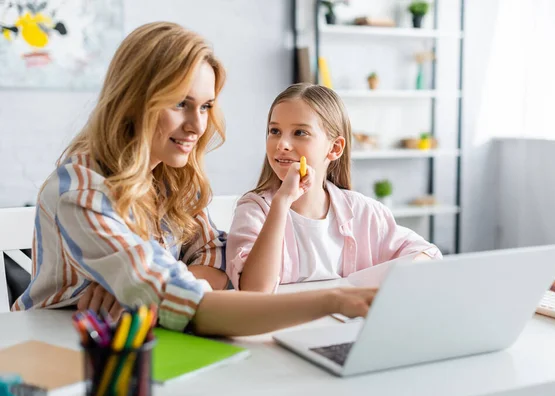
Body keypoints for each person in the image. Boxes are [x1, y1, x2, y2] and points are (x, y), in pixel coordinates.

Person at [11, 22, 376, 336]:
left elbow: (215, 255)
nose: (198, 126)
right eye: (180, 104)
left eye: (205, 107)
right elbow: (193, 308)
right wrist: (335, 300)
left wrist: (154, 287)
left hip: (135, 342)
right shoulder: (81, 190)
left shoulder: (170, 177)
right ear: (132, 101)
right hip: (55, 349)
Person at [226, 83, 442, 293]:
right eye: (275, 131)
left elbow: (428, 253)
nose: (282, 144)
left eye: (300, 132)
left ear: (335, 148)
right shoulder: (253, 210)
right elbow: (254, 290)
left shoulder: (363, 212)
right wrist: (281, 202)